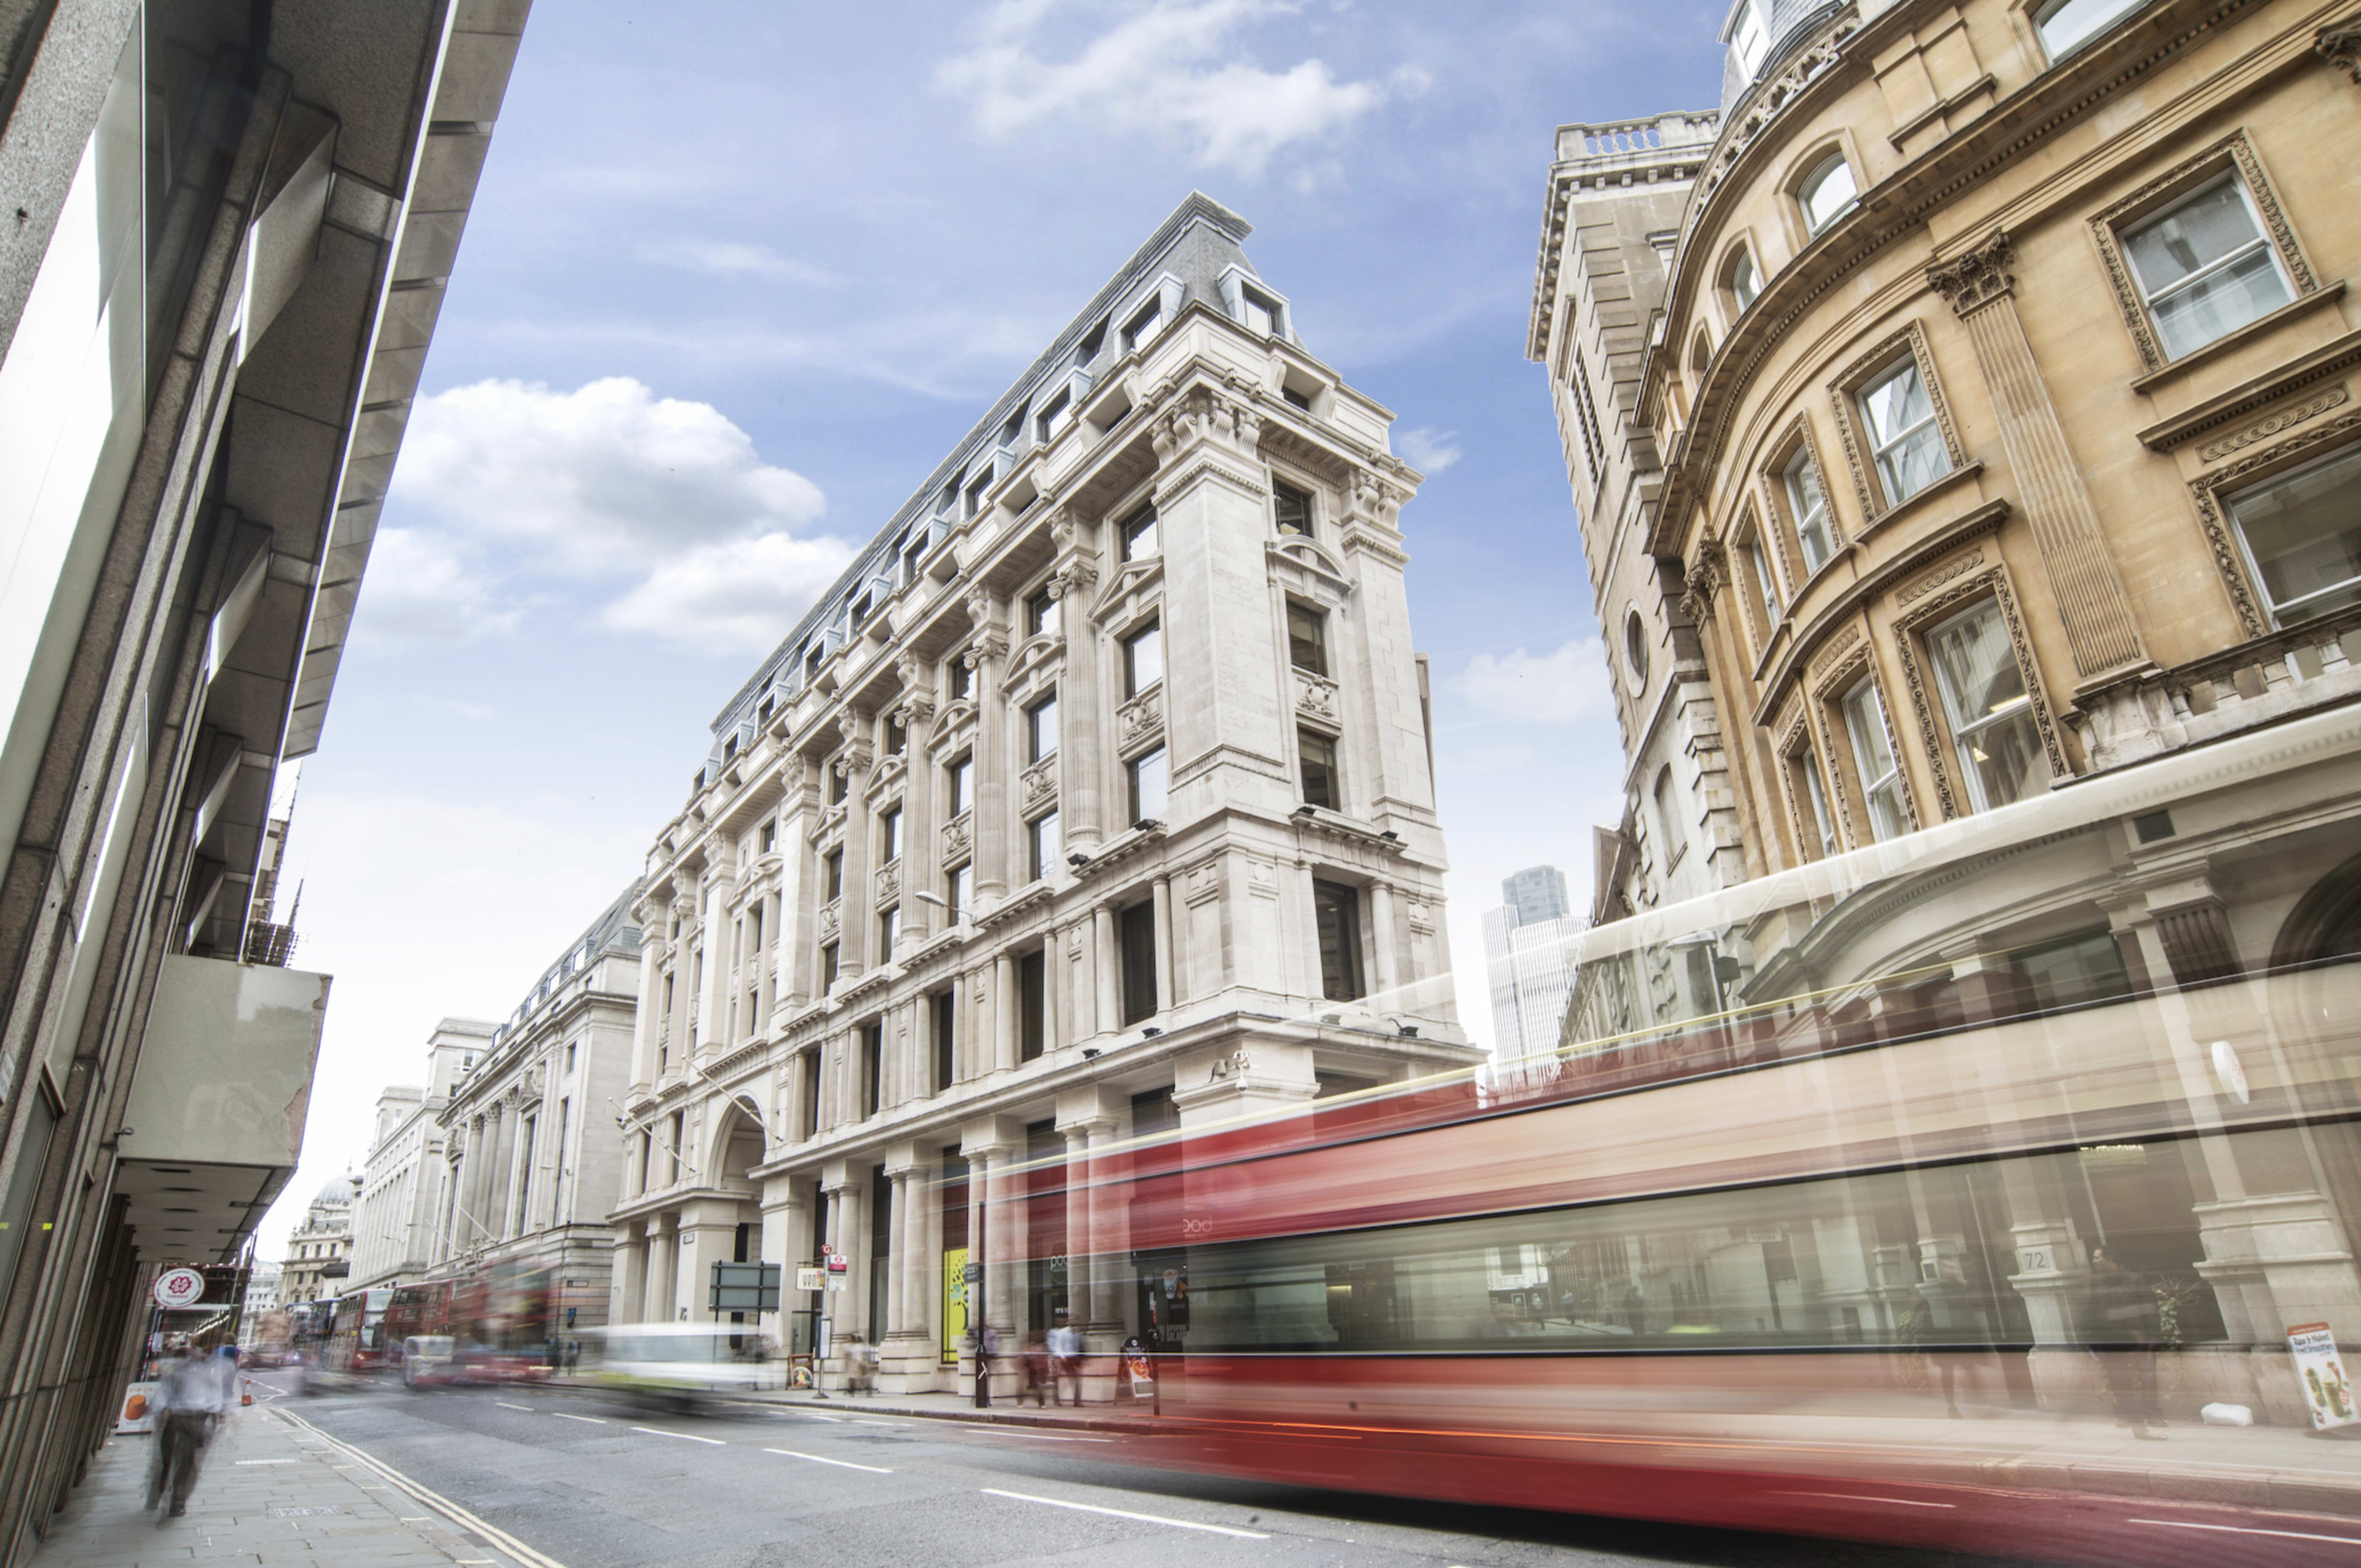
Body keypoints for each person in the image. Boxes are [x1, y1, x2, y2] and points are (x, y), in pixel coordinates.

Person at [2083, 1247, 2165, 1438]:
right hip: (2113, 1339)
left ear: (2110, 1259)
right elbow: (2092, 1310)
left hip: (2139, 1337)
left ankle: (2152, 1414)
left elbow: (2150, 1309)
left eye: (2098, 1258)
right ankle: (2126, 1415)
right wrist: (2094, 1338)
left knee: (2147, 1376)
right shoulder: (2096, 1283)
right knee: (2119, 1379)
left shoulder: (2135, 1279)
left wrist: (2154, 1336)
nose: (2094, 1262)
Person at [150, 1344, 226, 1516]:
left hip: (195, 1419)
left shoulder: (209, 1371)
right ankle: (160, 1492)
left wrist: (216, 1415)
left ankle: (177, 1501)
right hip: (177, 1418)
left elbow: (215, 1394)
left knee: (186, 1461)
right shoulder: (176, 1370)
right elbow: (164, 1392)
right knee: (167, 1460)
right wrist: (155, 1412)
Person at [1048, 1310, 1082, 1406]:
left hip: (1073, 1358)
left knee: (1075, 1380)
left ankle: (1077, 1401)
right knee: (1056, 1379)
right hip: (1062, 1358)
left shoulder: (1078, 1333)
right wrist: (1062, 1357)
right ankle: (1056, 1400)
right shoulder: (1061, 1333)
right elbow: (1058, 1346)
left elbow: (1077, 1346)